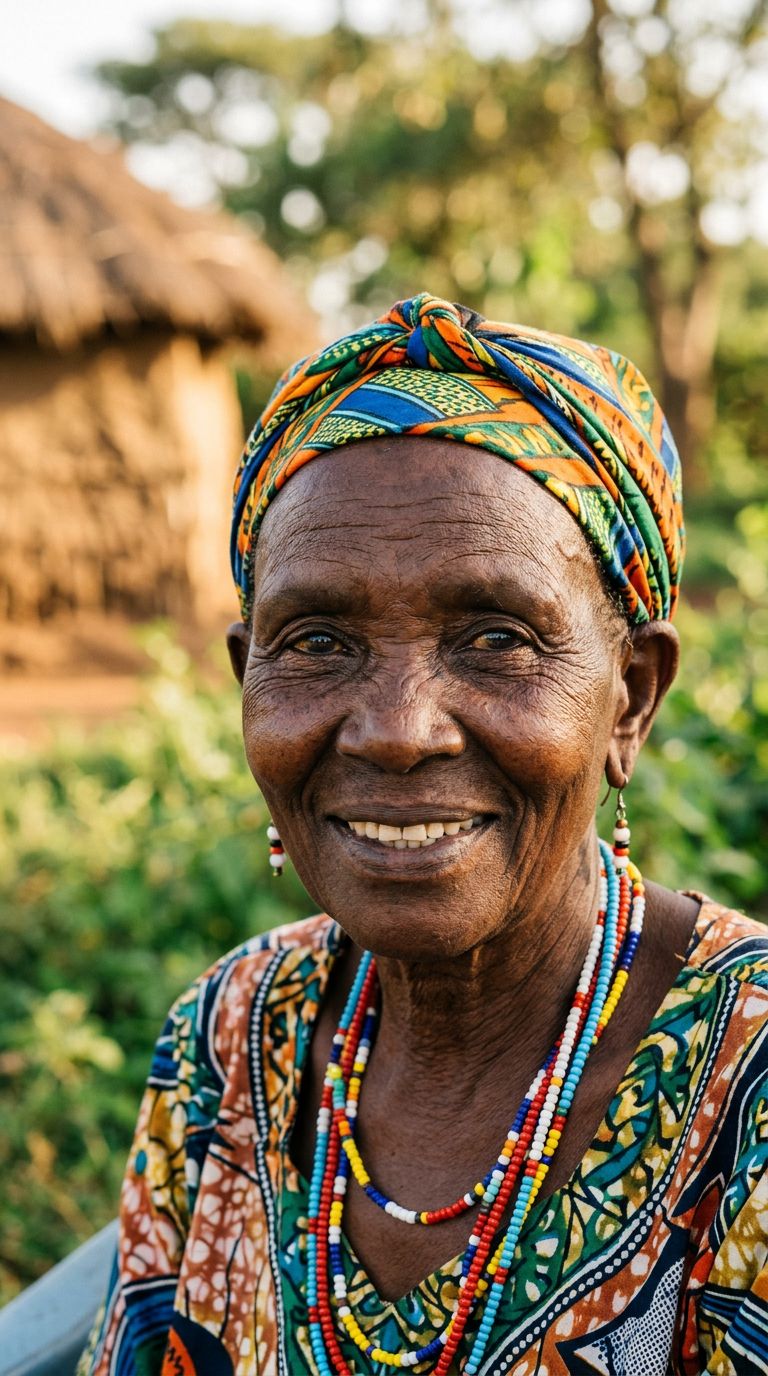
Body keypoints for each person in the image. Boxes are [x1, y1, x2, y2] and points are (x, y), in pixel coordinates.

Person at [79, 294, 768, 1376]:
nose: (398, 729)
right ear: (242, 678)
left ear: (630, 696)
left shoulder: (751, 1075)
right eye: (316, 640)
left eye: (496, 635)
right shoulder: (228, 1035)